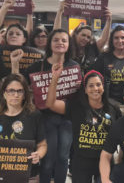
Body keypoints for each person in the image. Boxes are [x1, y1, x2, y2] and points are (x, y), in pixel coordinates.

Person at [11, 28, 79, 183]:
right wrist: (15, 64)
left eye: (64, 40)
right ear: (50, 43)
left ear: (69, 44)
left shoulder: (74, 66)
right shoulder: (38, 66)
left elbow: (78, 95)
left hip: (67, 118)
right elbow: (19, 84)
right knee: (48, 158)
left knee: (63, 157)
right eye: (56, 40)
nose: (60, 43)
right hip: (45, 118)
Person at [46, 66, 121, 183]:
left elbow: (120, 135)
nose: (95, 88)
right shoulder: (75, 107)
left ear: (103, 87)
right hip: (81, 162)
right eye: (90, 85)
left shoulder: (113, 108)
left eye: (98, 84)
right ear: (85, 90)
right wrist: (55, 78)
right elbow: (51, 104)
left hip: (105, 160)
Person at [0, 73, 47, 182]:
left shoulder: (35, 115)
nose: (15, 95)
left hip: (28, 175)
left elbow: (43, 145)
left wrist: (38, 155)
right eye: (11, 90)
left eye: (19, 91)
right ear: (4, 93)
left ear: (25, 94)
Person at [54, 0, 112, 73]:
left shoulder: (92, 48)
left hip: (88, 82)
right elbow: (55, 34)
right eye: (83, 35)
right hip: (70, 81)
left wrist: (109, 20)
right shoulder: (67, 47)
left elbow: (104, 39)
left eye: (88, 37)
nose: (85, 39)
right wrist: (59, 12)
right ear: (76, 34)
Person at [91, 25, 124, 114]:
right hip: (109, 103)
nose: (120, 41)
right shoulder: (104, 57)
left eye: (123, 37)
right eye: (116, 38)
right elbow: (92, 75)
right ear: (112, 40)